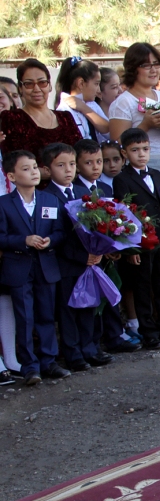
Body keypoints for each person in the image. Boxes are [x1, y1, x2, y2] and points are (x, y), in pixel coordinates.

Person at [113, 128, 160, 347]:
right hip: (141, 243)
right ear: (125, 153)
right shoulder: (121, 179)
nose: (141, 154)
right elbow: (123, 215)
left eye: (145, 149)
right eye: (135, 150)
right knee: (143, 287)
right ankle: (148, 330)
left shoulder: (156, 174)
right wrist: (130, 249)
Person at [0, 150, 68, 385]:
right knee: (25, 318)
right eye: (25, 169)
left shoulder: (50, 199)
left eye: (34, 167)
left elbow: (60, 232)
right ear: (11, 176)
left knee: (47, 315)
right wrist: (23, 240)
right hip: (19, 267)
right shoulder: (3, 204)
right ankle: (30, 366)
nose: (33, 172)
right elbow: (1, 237)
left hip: (46, 264)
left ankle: (49, 361)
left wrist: (51, 240)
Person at [40, 142, 100, 372]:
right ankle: (72, 353)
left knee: (88, 305)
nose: (68, 170)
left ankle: (89, 349)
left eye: (72, 164)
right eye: (61, 165)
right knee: (68, 310)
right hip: (66, 262)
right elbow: (56, 234)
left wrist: (98, 251)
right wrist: (81, 256)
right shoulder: (47, 197)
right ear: (47, 169)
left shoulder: (82, 193)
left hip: (89, 259)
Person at [0, 59, 81, 160]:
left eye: (42, 82)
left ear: (49, 86)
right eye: (29, 84)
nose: (37, 89)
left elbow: (80, 154)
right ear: (20, 88)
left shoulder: (65, 117)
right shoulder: (12, 118)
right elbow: (13, 161)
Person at [54, 57, 109, 141]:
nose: (98, 90)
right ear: (81, 83)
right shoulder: (64, 110)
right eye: (96, 84)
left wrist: (84, 108)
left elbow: (108, 131)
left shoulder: (91, 104)